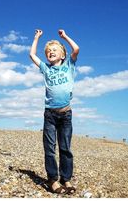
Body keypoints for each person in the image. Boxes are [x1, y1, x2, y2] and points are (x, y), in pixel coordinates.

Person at [30, 29, 79, 194]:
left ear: (62, 55)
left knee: (65, 148)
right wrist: (36, 38)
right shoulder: (46, 69)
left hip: (66, 115)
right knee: (50, 148)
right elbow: (32, 55)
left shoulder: (69, 65)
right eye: (48, 51)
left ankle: (66, 178)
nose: (50, 52)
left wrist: (64, 37)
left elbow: (76, 49)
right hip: (50, 115)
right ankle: (52, 179)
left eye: (54, 50)